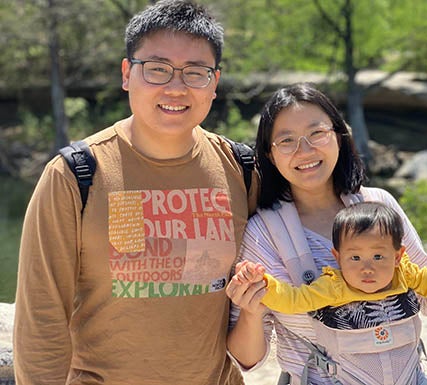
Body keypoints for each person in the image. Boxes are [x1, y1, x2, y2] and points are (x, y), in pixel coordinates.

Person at [13, 1, 256, 384]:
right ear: (127, 74)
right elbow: (41, 316)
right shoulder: (74, 175)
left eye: (195, 72)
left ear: (215, 83)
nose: (176, 87)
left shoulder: (241, 169)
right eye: (157, 69)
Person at [226, 83, 427, 384]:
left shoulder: (379, 206)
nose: (304, 150)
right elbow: (248, 359)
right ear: (270, 154)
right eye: (287, 141)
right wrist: (251, 310)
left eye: (316, 133)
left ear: (339, 137)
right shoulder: (263, 233)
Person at [233, 202, 427, 314]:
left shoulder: (404, 274)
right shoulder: (334, 286)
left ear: (398, 256)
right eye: (355, 258)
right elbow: (293, 301)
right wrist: (263, 281)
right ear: (337, 258)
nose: (367, 268)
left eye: (378, 256)